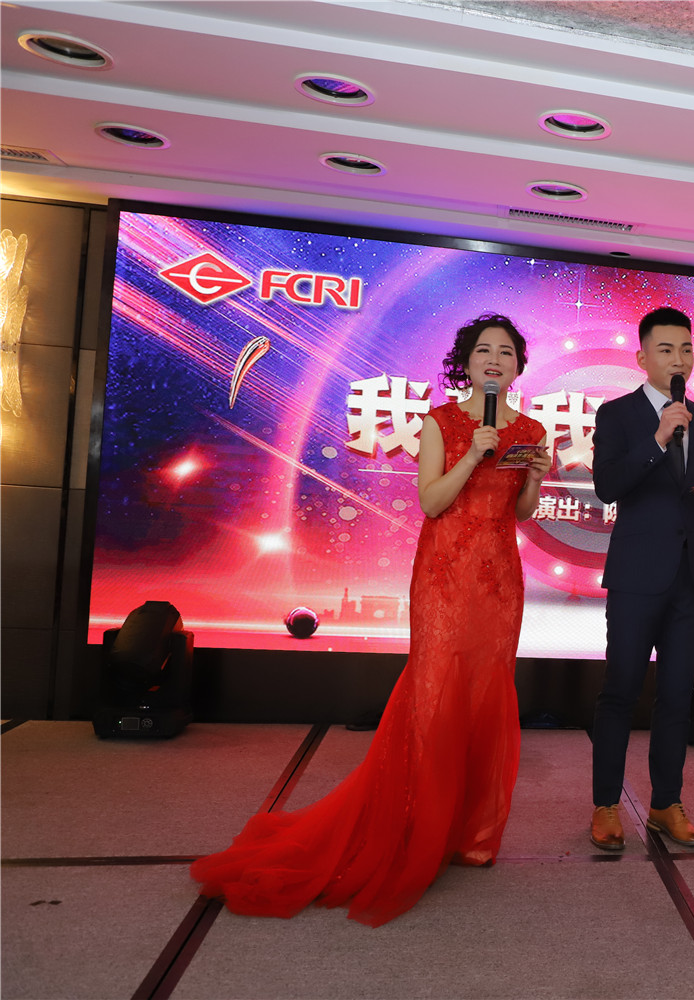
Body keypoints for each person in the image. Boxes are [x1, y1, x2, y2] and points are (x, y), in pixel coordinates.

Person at [191, 314, 550, 926]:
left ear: (518, 366)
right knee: (435, 693)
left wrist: (534, 479)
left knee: (485, 694)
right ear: (465, 362)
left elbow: (518, 512)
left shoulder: (530, 429)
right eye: (484, 350)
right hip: (444, 575)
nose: (495, 360)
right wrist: (473, 456)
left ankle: (469, 833)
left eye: (506, 352)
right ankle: (417, 824)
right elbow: (432, 502)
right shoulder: (440, 422)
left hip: (499, 580)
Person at [588, 306, 694, 851]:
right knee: (621, 690)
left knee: (677, 696)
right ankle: (606, 805)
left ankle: (665, 805)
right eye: (667, 349)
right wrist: (657, 440)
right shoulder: (617, 414)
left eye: (687, 349)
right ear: (642, 357)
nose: (679, 359)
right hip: (636, 575)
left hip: (690, 576)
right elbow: (608, 486)